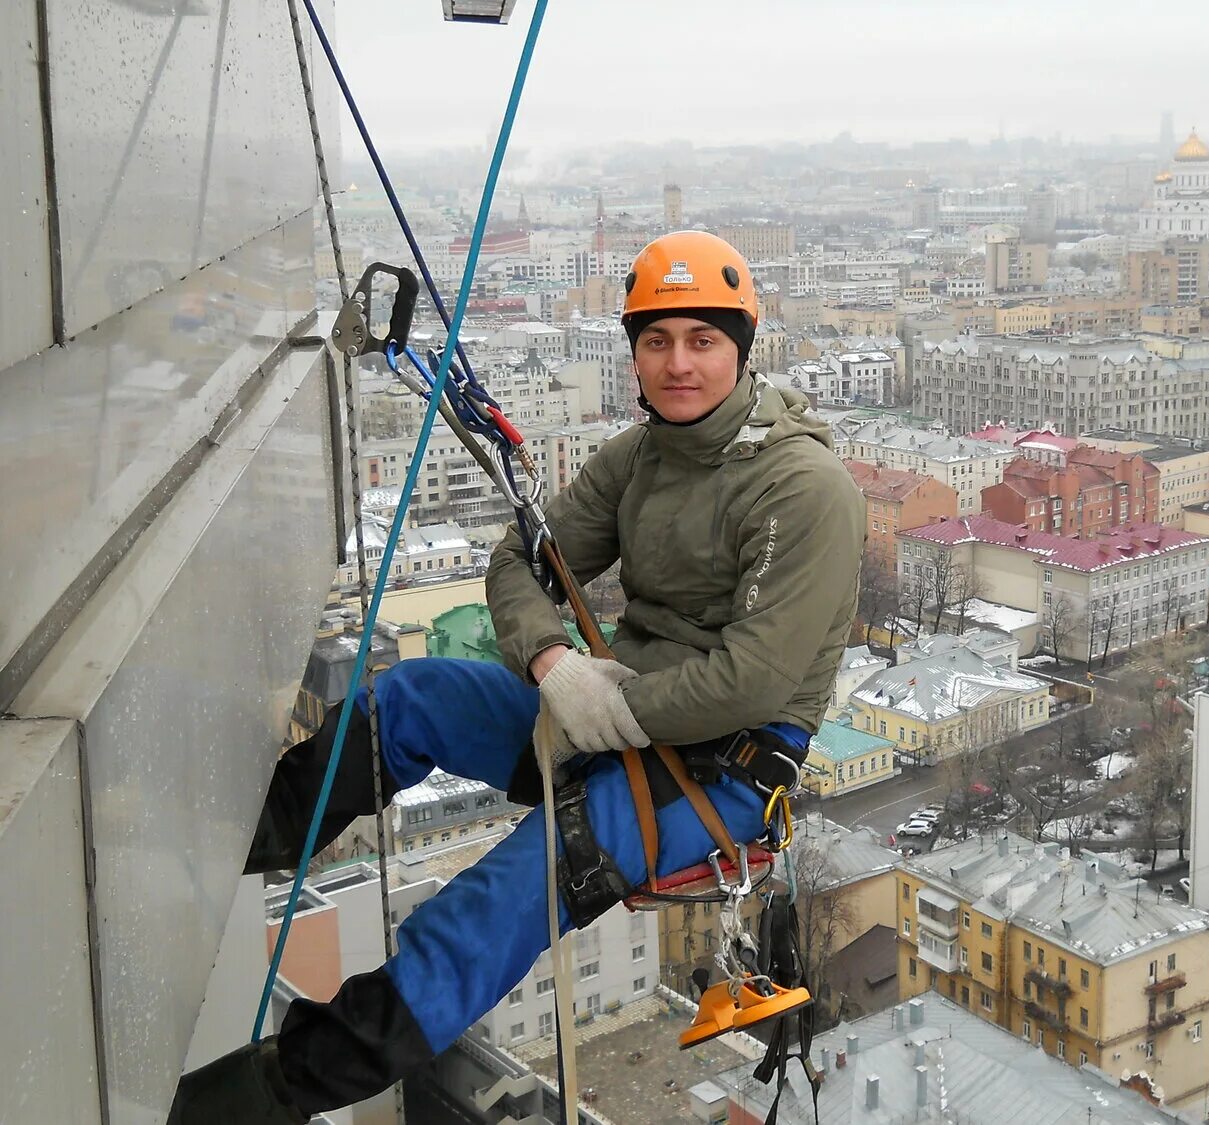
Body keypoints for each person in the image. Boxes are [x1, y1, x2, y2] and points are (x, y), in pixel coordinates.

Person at [169, 230, 865, 1123]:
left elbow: (752, 681)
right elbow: (517, 560)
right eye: (656, 340)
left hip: (721, 768)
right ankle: (235, 836)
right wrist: (552, 664)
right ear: (634, 351)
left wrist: (606, 703)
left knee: (486, 911)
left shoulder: (802, 487)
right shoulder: (640, 457)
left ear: (742, 346)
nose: (678, 363)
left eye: (702, 339)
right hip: (609, 710)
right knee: (411, 700)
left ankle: (260, 1096)